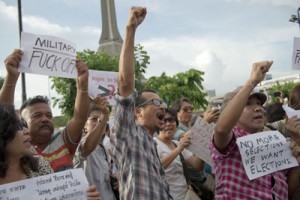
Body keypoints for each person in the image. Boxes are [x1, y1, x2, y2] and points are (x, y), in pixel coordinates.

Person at [211, 60, 300, 199]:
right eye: (248, 104)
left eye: (259, 103)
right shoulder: (229, 139)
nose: (258, 108)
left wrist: (297, 164)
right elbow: (221, 129)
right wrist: (252, 81)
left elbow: (286, 193)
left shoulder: (276, 140)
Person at [110, 6, 172, 199]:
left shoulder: (150, 143)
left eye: (163, 102)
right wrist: (130, 30)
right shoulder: (129, 136)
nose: (162, 106)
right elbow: (126, 84)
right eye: (156, 102)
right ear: (137, 112)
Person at [0, 49, 90, 172]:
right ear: (22, 123)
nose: (45, 119)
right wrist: (11, 77)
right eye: (37, 116)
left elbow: (80, 118)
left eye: (49, 115)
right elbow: (3, 114)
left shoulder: (63, 141)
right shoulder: (16, 148)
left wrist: (83, 85)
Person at [0, 104, 100, 200]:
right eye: (18, 126)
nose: (26, 131)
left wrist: (83, 196)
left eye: (24, 125)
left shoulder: (40, 165)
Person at [154, 107, 204, 199]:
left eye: (171, 120)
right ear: (158, 124)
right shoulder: (154, 144)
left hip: (185, 196)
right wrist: (178, 149)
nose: (168, 124)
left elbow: (197, 166)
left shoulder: (176, 144)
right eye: (164, 121)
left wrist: (203, 147)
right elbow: (156, 168)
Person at [74, 96, 117, 200]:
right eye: (94, 119)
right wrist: (103, 118)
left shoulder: (103, 148)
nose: (98, 122)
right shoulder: (79, 144)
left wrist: (117, 176)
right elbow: (87, 148)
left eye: (101, 119)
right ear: (85, 124)